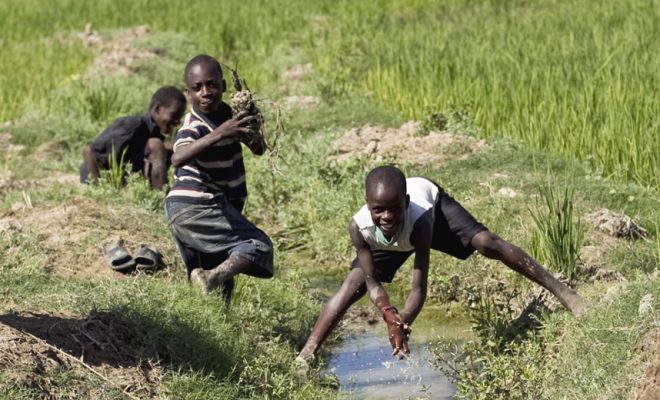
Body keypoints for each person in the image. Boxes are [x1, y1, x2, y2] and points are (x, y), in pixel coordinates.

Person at [296, 165, 587, 365]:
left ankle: (565, 293)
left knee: (486, 243)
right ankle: (307, 354)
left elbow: (419, 287)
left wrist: (404, 322)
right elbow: (373, 284)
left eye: (393, 208)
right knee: (353, 283)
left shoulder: (419, 219)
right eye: (378, 209)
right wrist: (388, 314)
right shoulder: (359, 228)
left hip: (431, 212)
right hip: (394, 239)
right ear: (367, 205)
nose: (385, 216)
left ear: (406, 202)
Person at [164, 54, 273, 302]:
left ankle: (214, 327)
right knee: (259, 245)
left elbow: (259, 149)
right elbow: (178, 157)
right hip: (197, 206)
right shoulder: (193, 125)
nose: (205, 92)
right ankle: (213, 278)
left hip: (194, 210)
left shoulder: (229, 115)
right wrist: (220, 133)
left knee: (213, 279)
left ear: (223, 86)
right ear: (188, 93)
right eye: (197, 87)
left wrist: (252, 129)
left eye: (212, 84)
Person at [80, 86, 186, 190]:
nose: (175, 123)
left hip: (122, 184)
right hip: (99, 180)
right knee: (156, 145)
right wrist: (100, 190)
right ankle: (161, 195)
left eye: (178, 120)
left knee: (170, 149)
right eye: (173, 116)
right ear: (157, 109)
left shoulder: (153, 132)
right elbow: (88, 152)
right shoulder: (132, 126)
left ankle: (159, 193)